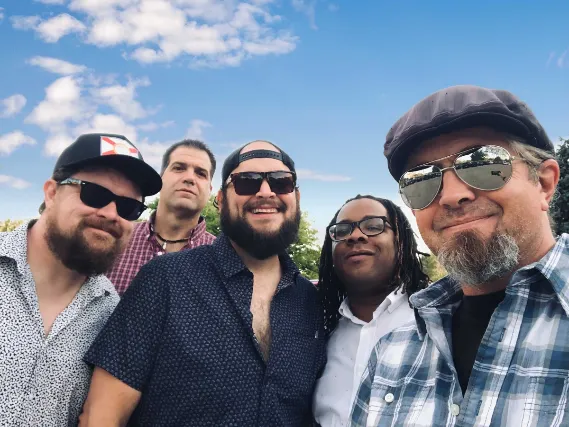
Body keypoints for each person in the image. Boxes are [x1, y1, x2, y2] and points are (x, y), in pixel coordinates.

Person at [350, 85, 566, 426]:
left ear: (544, 183)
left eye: (483, 163)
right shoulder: (390, 353)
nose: (451, 196)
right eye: (421, 180)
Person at [78, 140, 327, 426]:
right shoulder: (164, 278)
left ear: (296, 196)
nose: (265, 191)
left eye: (281, 182)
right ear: (220, 199)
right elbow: (101, 416)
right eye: (246, 182)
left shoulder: (311, 302)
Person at [0, 133, 161, 426]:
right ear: (51, 193)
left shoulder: (114, 316)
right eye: (94, 194)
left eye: (128, 207)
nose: (111, 213)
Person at [312, 194, 429, 426]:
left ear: (401, 241)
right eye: (342, 230)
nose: (355, 235)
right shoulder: (316, 330)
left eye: (374, 226)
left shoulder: (438, 319)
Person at [107, 139, 216, 295]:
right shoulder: (115, 238)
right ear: (160, 178)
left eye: (201, 173)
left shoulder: (223, 258)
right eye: (179, 168)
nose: (190, 178)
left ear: (209, 189)